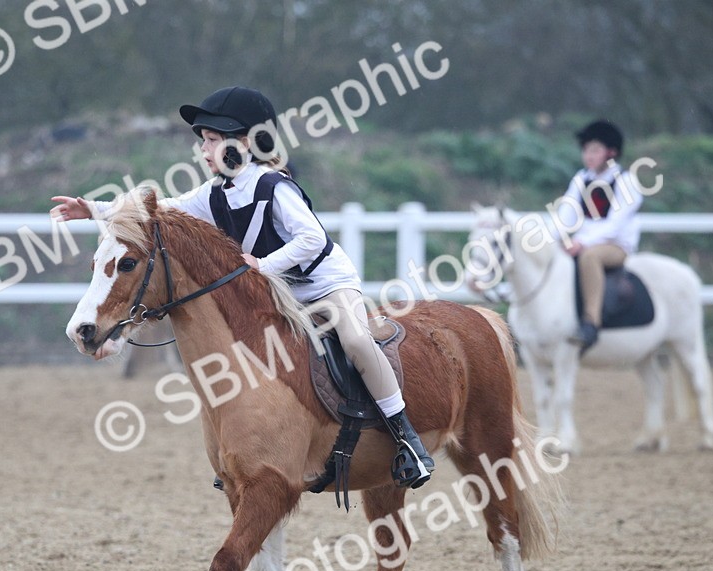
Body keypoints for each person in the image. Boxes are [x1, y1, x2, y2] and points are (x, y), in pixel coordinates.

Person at [51, 86, 435, 488]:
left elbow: (313, 241)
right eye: (203, 141)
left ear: (245, 144)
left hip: (324, 285)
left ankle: (405, 436)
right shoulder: (213, 193)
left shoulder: (274, 187)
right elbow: (161, 207)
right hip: (276, 290)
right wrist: (92, 210)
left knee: (356, 341)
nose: (203, 149)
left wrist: (262, 265)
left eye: (213, 140)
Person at [562, 119, 643, 354]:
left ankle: (591, 323)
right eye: (586, 150)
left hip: (615, 246)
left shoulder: (626, 182)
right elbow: (564, 215)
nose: (588, 156)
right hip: (582, 243)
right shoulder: (581, 179)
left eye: (595, 150)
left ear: (611, 152)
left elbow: (615, 225)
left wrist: (582, 242)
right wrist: (556, 239)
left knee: (589, 258)